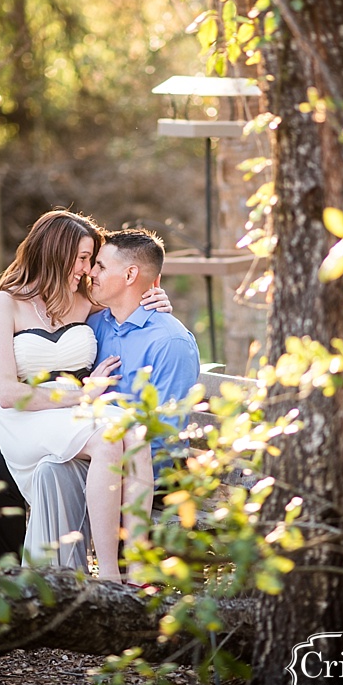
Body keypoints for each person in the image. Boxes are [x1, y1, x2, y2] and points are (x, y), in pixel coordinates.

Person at [0, 210, 169, 576]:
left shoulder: (83, 302)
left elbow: (127, 293)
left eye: (92, 260)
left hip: (75, 412)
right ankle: (109, 573)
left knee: (136, 435)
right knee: (108, 442)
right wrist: (82, 397)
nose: (88, 269)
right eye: (83, 258)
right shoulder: (2, 305)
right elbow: (4, 392)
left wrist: (157, 299)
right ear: (55, 251)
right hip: (28, 418)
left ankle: (137, 571)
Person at [85, 229, 200, 582]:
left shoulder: (169, 341)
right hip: (97, 455)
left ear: (131, 275)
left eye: (101, 266)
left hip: (147, 473)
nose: (92, 273)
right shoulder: (93, 323)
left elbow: (165, 438)